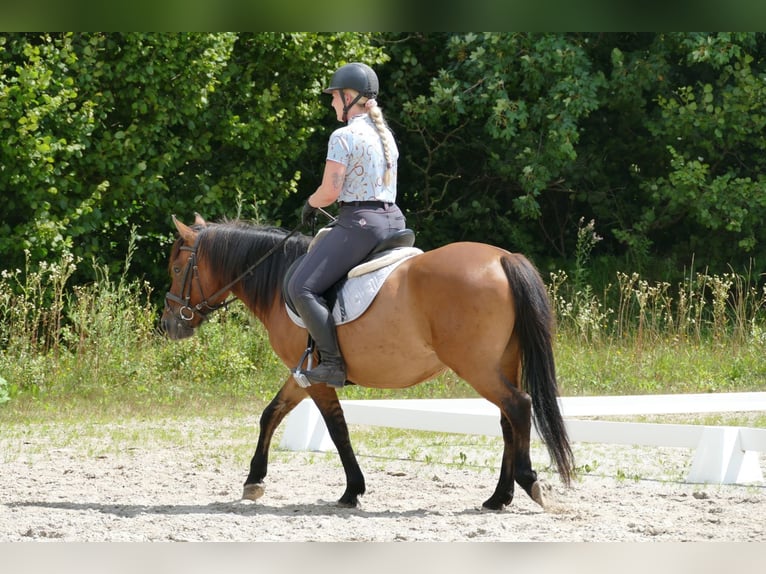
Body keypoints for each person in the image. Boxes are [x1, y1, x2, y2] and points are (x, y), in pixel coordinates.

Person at [285, 62, 406, 388]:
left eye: (334, 97)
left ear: (349, 97)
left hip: (361, 225)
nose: (332, 104)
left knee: (302, 287)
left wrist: (310, 204)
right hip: (394, 221)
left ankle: (334, 365)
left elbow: (330, 191)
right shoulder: (386, 137)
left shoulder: (344, 136)